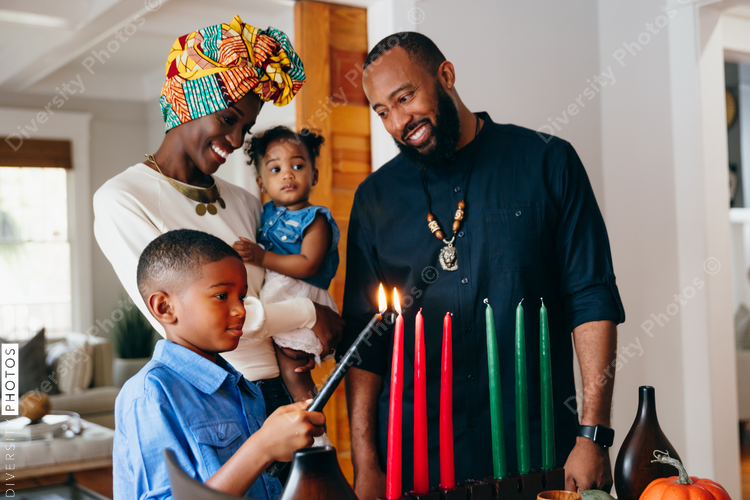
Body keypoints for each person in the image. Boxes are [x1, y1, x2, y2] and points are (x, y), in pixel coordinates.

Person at [339, 32, 625, 499]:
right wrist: (368, 464)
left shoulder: (547, 162)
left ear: (446, 76)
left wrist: (593, 436)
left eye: (405, 98)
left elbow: (591, 299)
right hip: (419, 464)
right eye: (382, 112)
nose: (398, 122)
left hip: (538, 454)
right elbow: (365, 341)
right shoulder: (375, 199)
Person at [93, 16, 343, 418]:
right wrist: (310, 315)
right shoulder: (123, 199)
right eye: (228, 119)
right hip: (216, 402)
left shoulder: (246, 201)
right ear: (189, 103)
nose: (236, 140)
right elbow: (198, 322)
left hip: (286, 393)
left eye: (246, 127)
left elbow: (275, 288)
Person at [114, 229, 326, 500]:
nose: (240, 310)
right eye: (222, 296)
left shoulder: (244, 388)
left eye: (242, 297)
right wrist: (262, 447)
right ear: (165, 307)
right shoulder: (150, 395)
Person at [233, 126, 340, 402]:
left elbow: (308, 265)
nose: (288, 174)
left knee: (294, 366)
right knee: (285, 367)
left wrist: (261, 257)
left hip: (301, 291)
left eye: (297, 165)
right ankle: (302, 419)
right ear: (261, 184)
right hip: (278, 292)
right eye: (275, 169)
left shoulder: (315, 219)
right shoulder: (265, 212)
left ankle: (312, 425)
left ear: (314, 175)